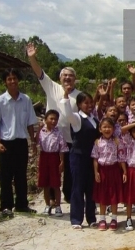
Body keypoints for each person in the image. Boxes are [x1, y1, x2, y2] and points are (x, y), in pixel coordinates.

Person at [28, 43, 80, 203]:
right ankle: (50, 197)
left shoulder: (80, 95)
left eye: (70, 76)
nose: (67, 78)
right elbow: (39, 73)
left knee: (69, 169)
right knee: (51, 168)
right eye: (65, 75)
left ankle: (68, 195)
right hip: (52, 138)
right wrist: (32, 57)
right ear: (60, 78)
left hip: (71, 138)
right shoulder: (52, 87)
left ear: (75, 79)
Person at [0, 69, 38, 217]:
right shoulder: (0, 101)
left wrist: (33, 142)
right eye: (9, 79)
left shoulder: (26, 100)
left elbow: (30, 123)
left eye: (14, 78)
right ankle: (6, 206)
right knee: (6, 176)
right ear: (5, 82)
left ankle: (22, 205)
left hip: (21, 142)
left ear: (18, 80)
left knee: (21, 175)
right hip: (6, 143)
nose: (12, 81)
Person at [60, 85, 100, 229]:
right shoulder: (77, 118)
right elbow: (67, 113)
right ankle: (76, 220)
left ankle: (91, 218)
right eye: (85, 103)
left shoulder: (94, 119)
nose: (89, 105)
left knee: (91, 188)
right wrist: (65, 95)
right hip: (78, 157)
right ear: (79, 104)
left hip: (91, 158)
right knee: (77, 187)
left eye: (91, 102)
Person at [91, 118, 127, 231]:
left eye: (109, 127)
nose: (107, 129)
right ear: (100, 129)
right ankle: (102, 219)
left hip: (114, 170)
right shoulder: (97, 142)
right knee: (103, 195)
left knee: (113, 195)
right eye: (104, 127)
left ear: (113, 129)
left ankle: (114, 219)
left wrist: (124, 172)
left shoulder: (117, 142)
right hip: (102, 171)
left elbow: (121, 158)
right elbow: (95, 158)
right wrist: (96, 172)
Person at [35, 110, 69, 216]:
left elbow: (62, 148)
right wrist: (39, 129)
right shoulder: (42, 131)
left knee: (56, 183)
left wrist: (62, 161)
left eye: (55, 119)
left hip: (54, 157)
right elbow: (36, 142)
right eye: (51, 118)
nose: (53, 121)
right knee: (45, 184)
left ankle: (58, 206)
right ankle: (47, 205)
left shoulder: (58, 133)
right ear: (46, 119)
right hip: (44, 156)